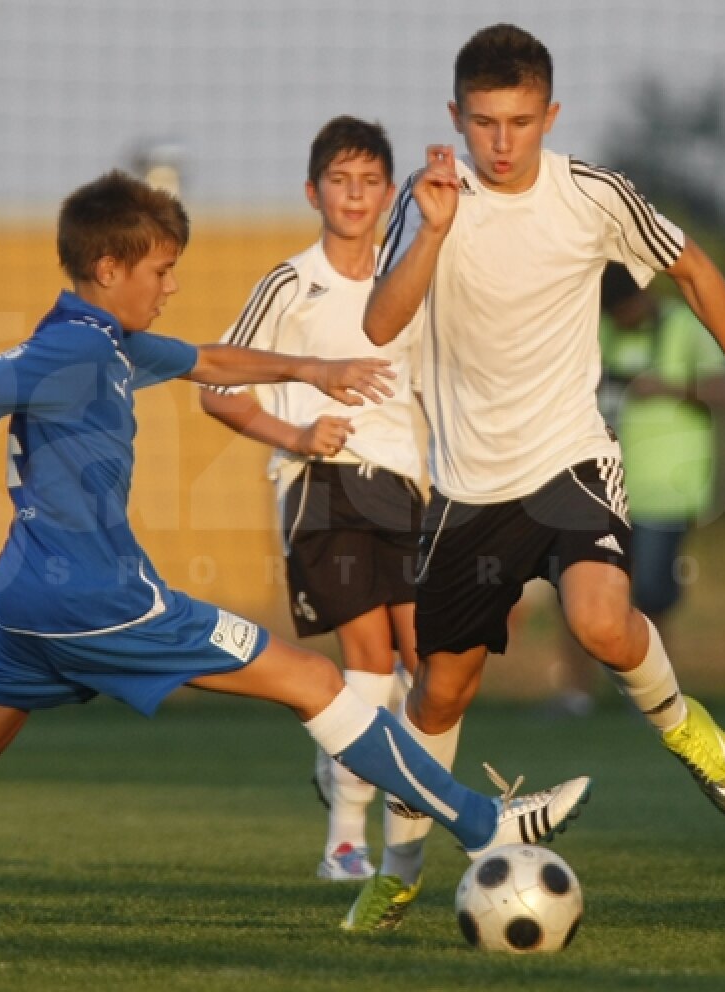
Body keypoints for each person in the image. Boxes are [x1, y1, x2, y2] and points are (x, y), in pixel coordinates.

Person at [0, 170, 592, 939]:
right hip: (107, 602)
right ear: (109, 269)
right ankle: (486, 826)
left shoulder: (108, 340)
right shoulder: (65, 349)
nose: (170, 286)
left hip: (24, 608)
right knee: (314, 682)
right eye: (161, 271)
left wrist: (316, 372)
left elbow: (209, 358)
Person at [342, 24, 725, 932]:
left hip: (571, 457)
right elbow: (380, 325)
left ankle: (679, 720)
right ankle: (402, 866)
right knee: (440, 694)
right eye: (485, 122)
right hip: (465, 488)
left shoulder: (593, 195)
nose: (502, 143)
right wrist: (435, 231)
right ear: (455, 116)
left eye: (521, 122)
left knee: (601, 618)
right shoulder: (427, 205)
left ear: (551, 115)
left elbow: (692, 267)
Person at [201, 116, 423, 882]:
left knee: (425, 671)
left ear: (391, 194)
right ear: (312, 191)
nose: (354, 195)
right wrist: (297, 438)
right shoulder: (291, 284)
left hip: (412, 489)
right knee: (368, 662)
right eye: (339, 180)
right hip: (323, 488)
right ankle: (345, 842)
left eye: (369, 182)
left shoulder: (414, 279)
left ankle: (351, 775)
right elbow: (218, 387)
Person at [548, 263, 725, 716]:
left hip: (666, 490)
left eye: (624, 310)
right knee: (574, 589)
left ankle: (656, 700)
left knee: (651, 593)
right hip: (599, 487)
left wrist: (669, 389)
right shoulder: (599, 330)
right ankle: (576, 694)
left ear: (642, 298)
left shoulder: (683, 328)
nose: (619, 319)